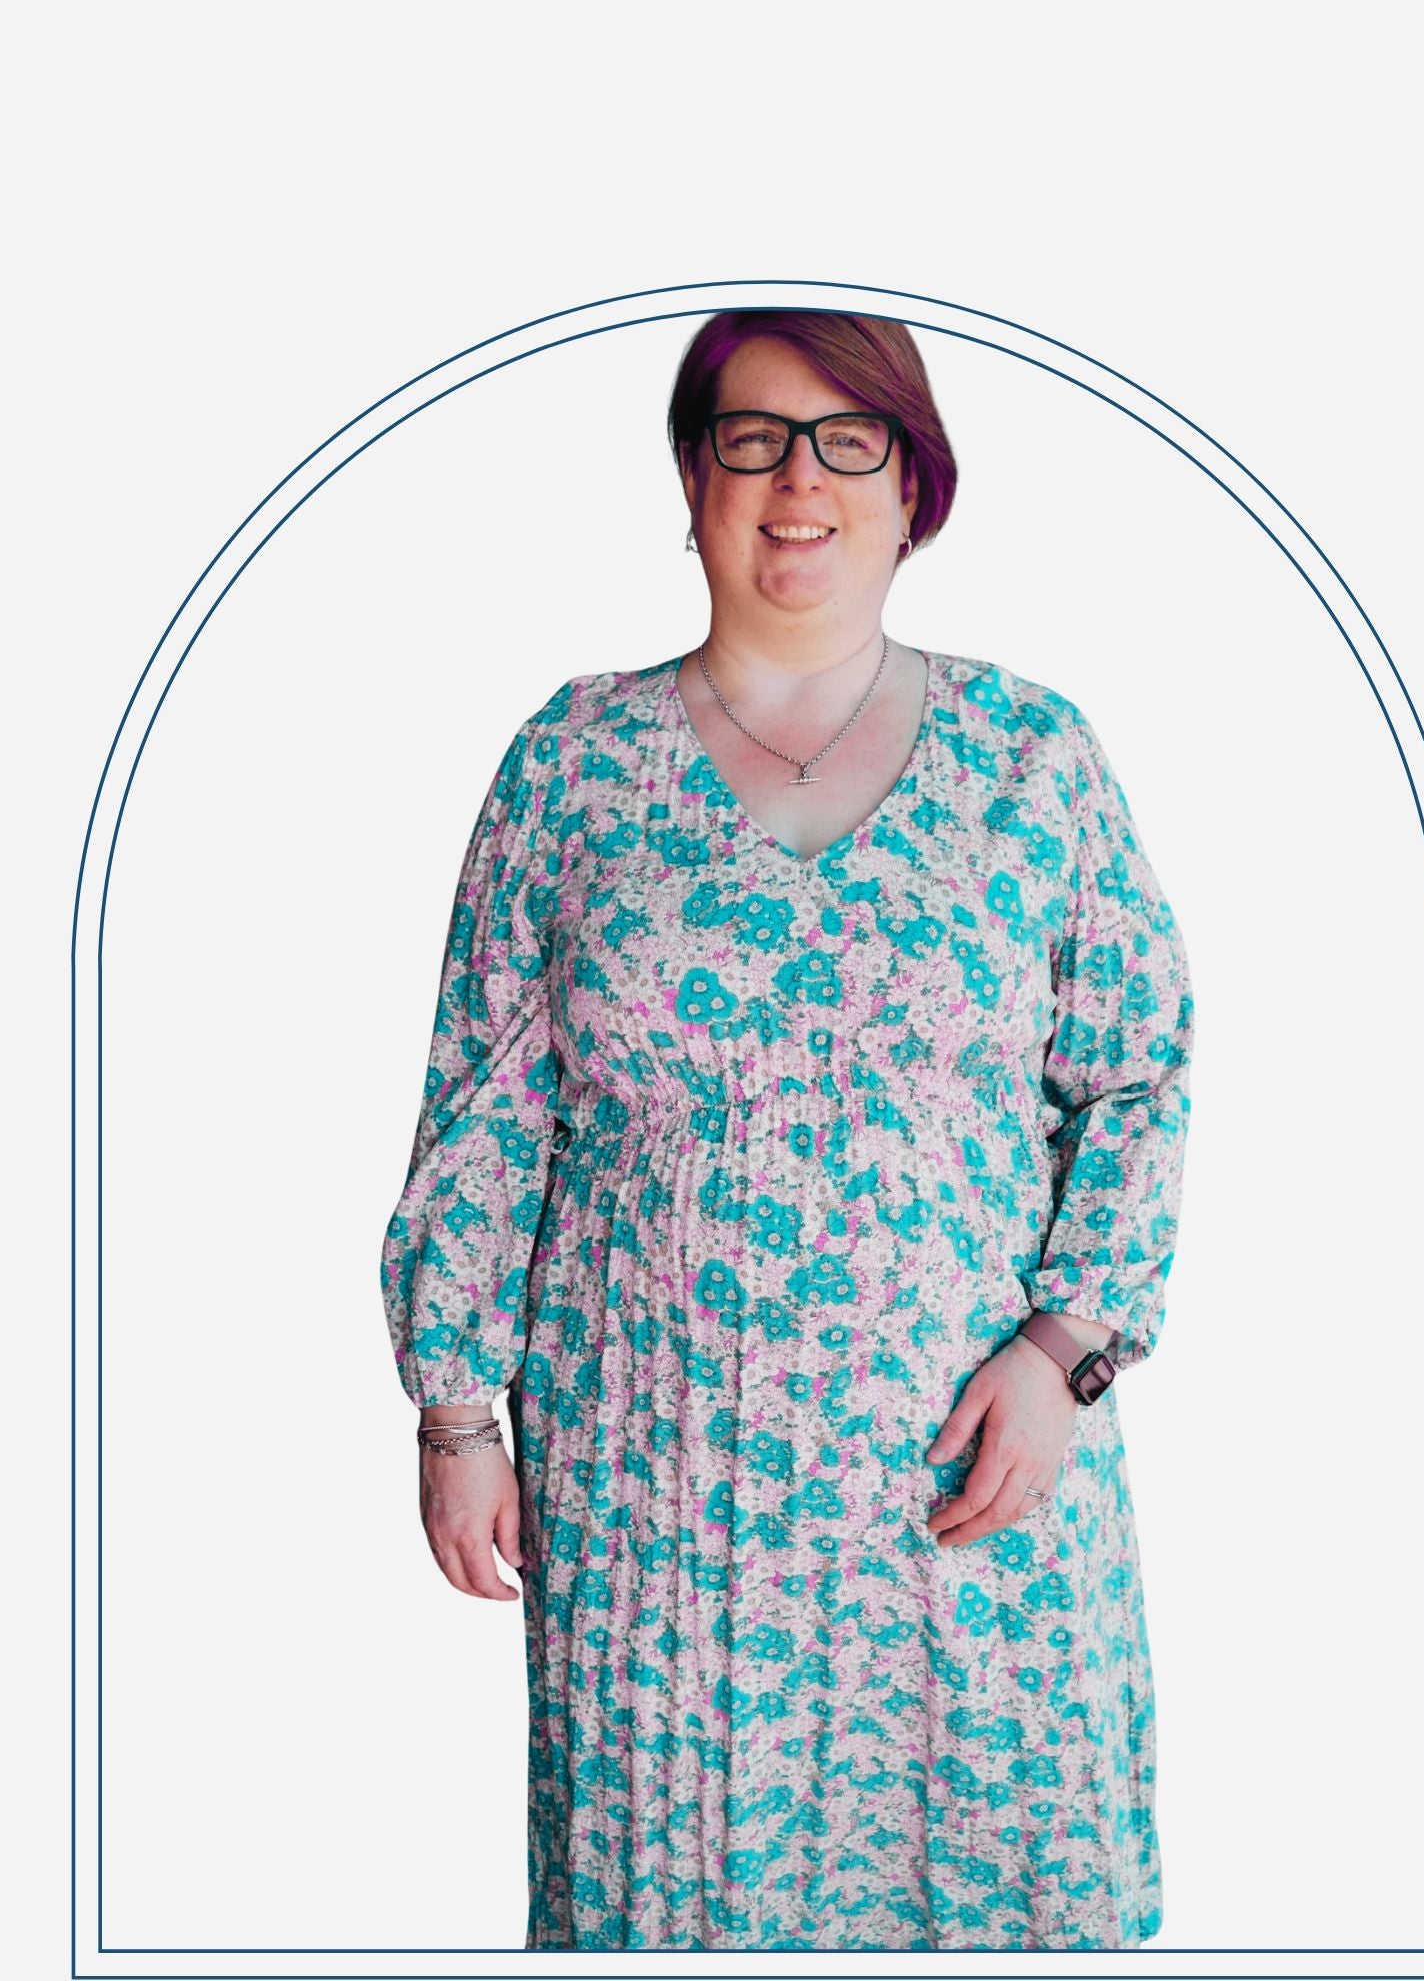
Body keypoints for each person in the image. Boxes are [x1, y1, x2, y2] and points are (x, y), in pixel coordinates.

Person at [378, 309, 1195, 1953]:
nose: (797, 481)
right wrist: (458, 1414)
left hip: (967, 1493)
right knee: (677, 1907)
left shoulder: (1034, 758)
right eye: (752, 439)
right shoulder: (571, 765)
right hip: (662, 1501)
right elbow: (484, 1107)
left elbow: (1139, 1074)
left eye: (848, 443)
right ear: (694, 483)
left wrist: (1066, 1352)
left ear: (916, 491)